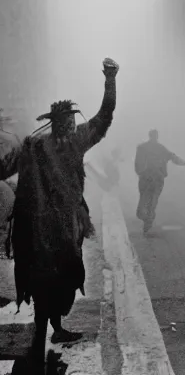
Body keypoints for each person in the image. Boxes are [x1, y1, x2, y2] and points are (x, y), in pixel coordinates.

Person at [0, 57, 119, 372]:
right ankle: (38, 341)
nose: (69, 126)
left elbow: (104, 116)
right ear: (56, 122)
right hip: (41, 231)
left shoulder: (64, 142)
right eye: (65, 121)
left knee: (63, 282)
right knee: (44, 284)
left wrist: (110, 79)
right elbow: (2, 168)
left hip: (62, 229)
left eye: (71, 121)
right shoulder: (34, 146)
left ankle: (54, 329)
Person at [135, 129, 185, 234]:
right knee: (148, 202)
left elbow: (172, 156)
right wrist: (181, 162)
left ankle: (147, 222)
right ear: (154, 136)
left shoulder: (149, 148)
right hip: (148, 179)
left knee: (150, 201)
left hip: (154, 179)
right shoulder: (147, 148)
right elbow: (172, 156)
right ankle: (146, 219)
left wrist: (181, 162)